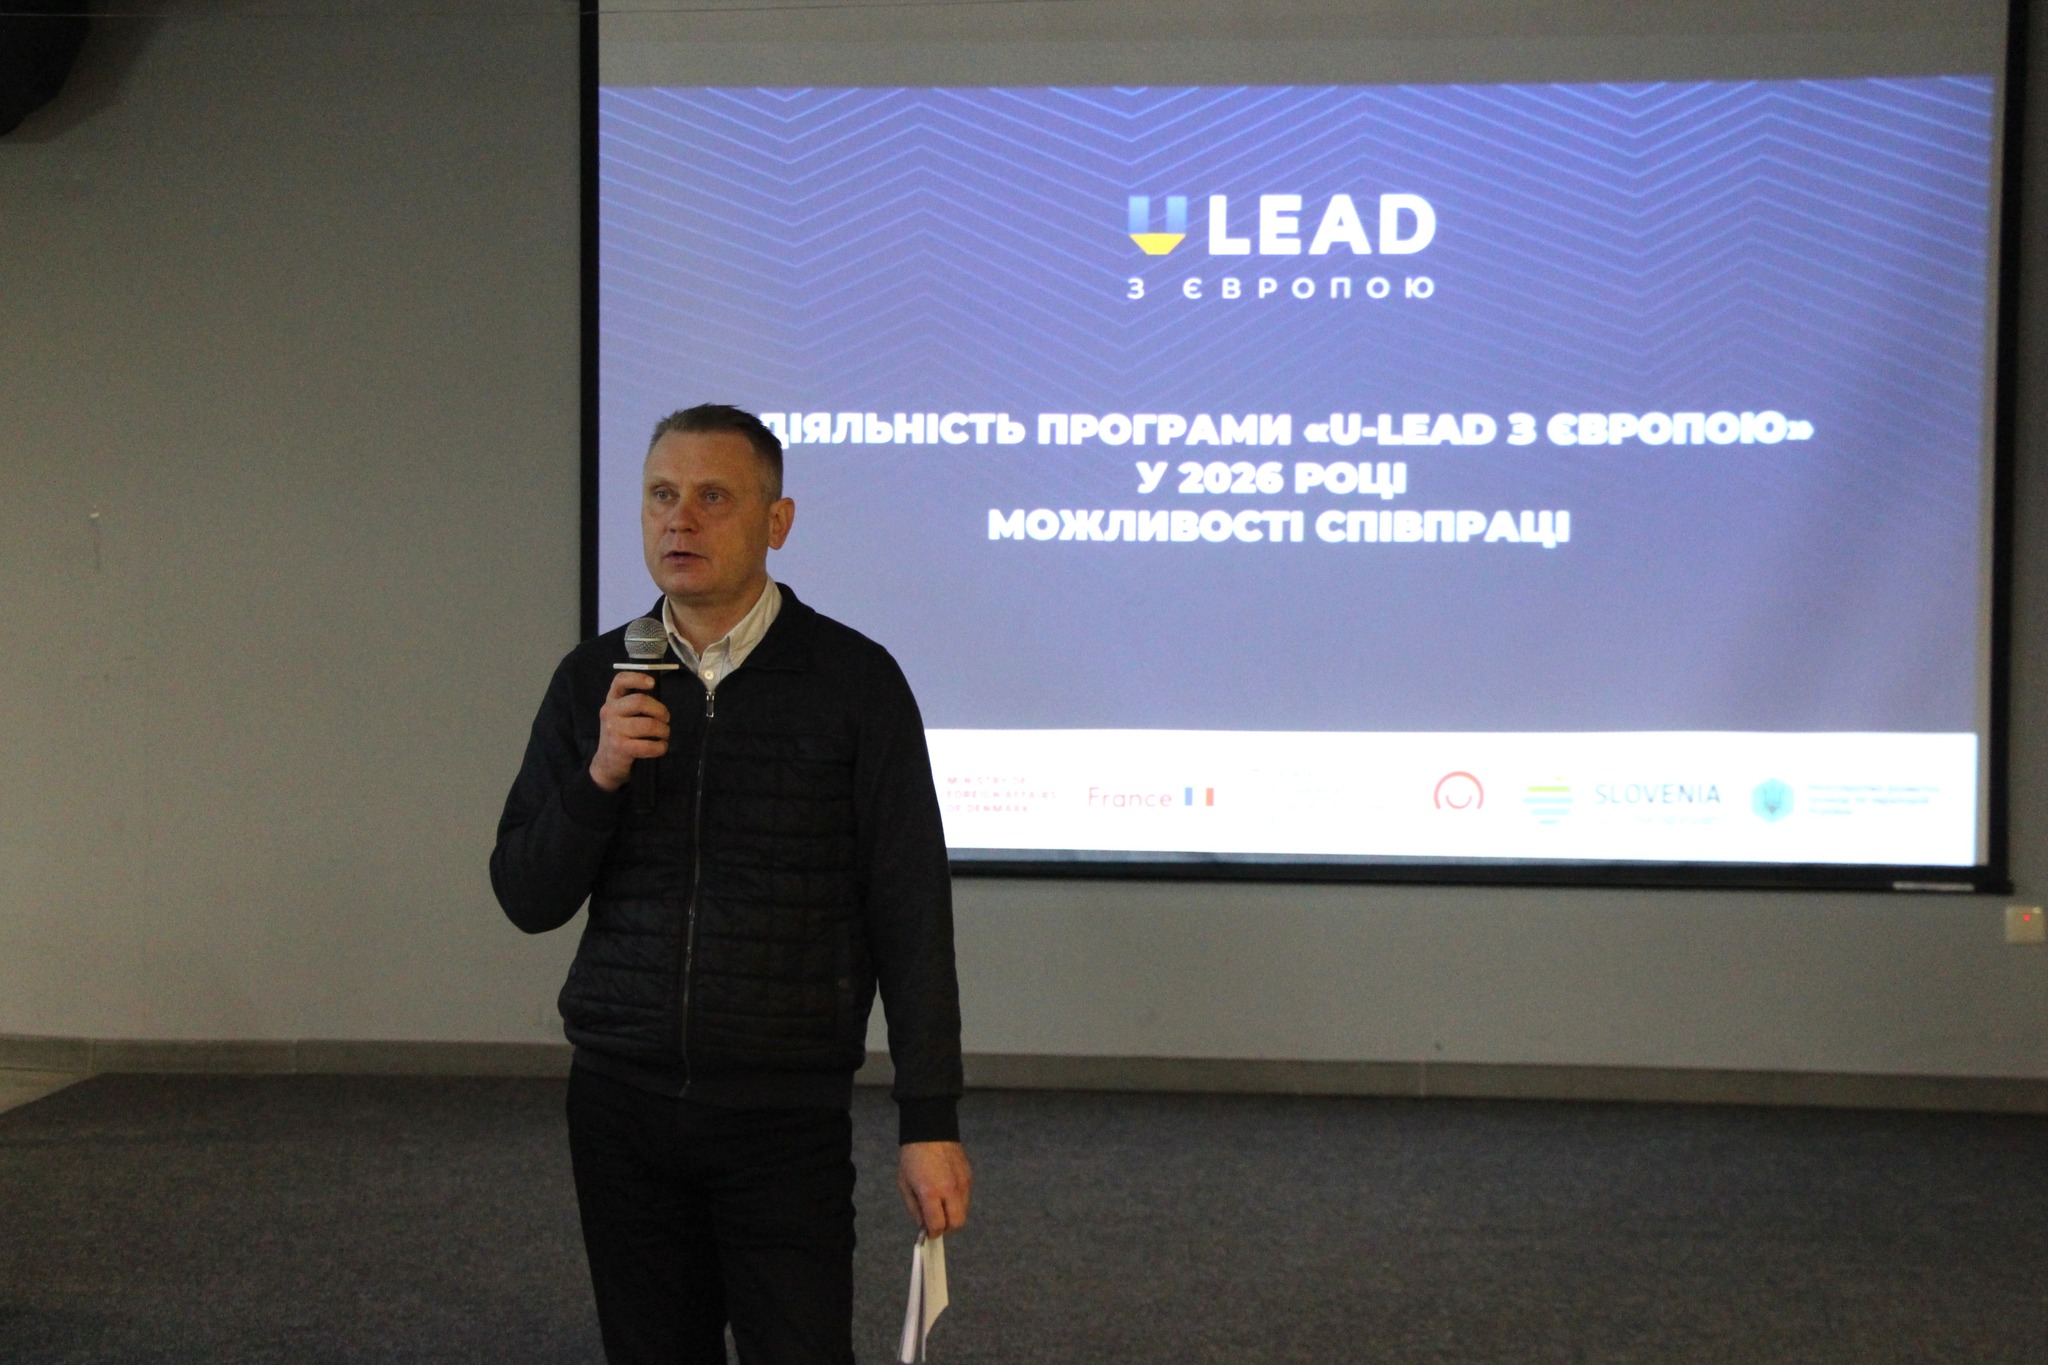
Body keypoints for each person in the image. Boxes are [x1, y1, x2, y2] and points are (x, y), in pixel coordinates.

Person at [490, 403, 970, 1365]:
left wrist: (929, 1121)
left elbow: (910, 909)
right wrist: (599, 776)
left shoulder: (855, 682)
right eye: (661, 496)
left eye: (713, 497)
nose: (680, 519)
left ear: (776, 521)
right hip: (621, 1102)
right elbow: (525, 894)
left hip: (781, 1114)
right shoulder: (595, 679)